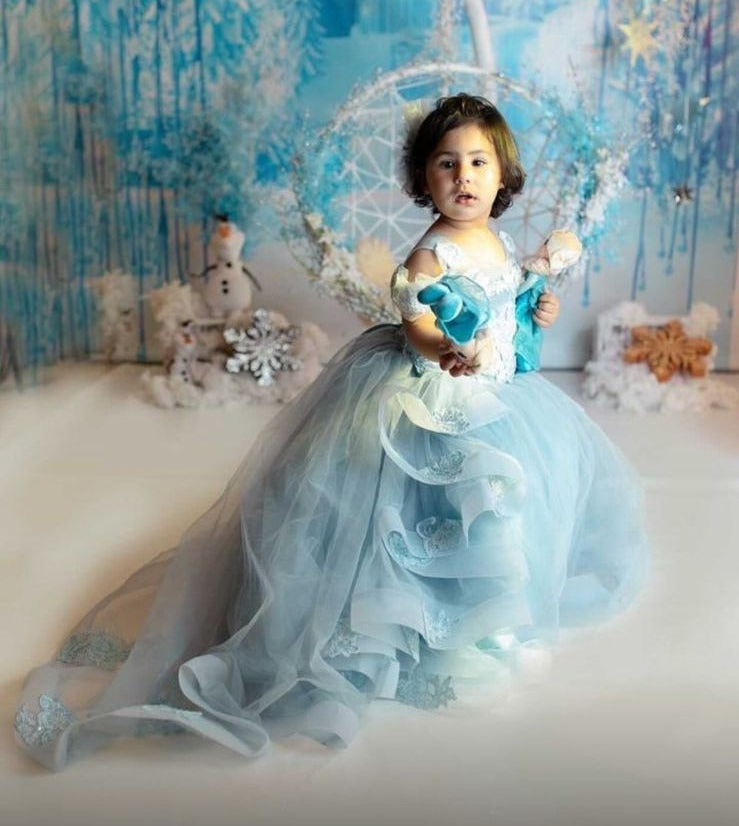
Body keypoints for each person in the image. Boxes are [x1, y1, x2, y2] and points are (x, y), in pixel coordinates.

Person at [15, 94, 648, 770]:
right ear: (423, 178)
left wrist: (536, 307)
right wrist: (443, 349)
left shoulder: (497, 242)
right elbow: (416, 324)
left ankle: (480, 618)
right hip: (429, 391)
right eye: (445, 163)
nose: (463, 176)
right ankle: (406, 619)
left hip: (496, 396)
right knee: (404, 506)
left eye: (477, 162)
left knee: (490, 501)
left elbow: (507, 308)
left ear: (503, 176)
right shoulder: (429, 254)